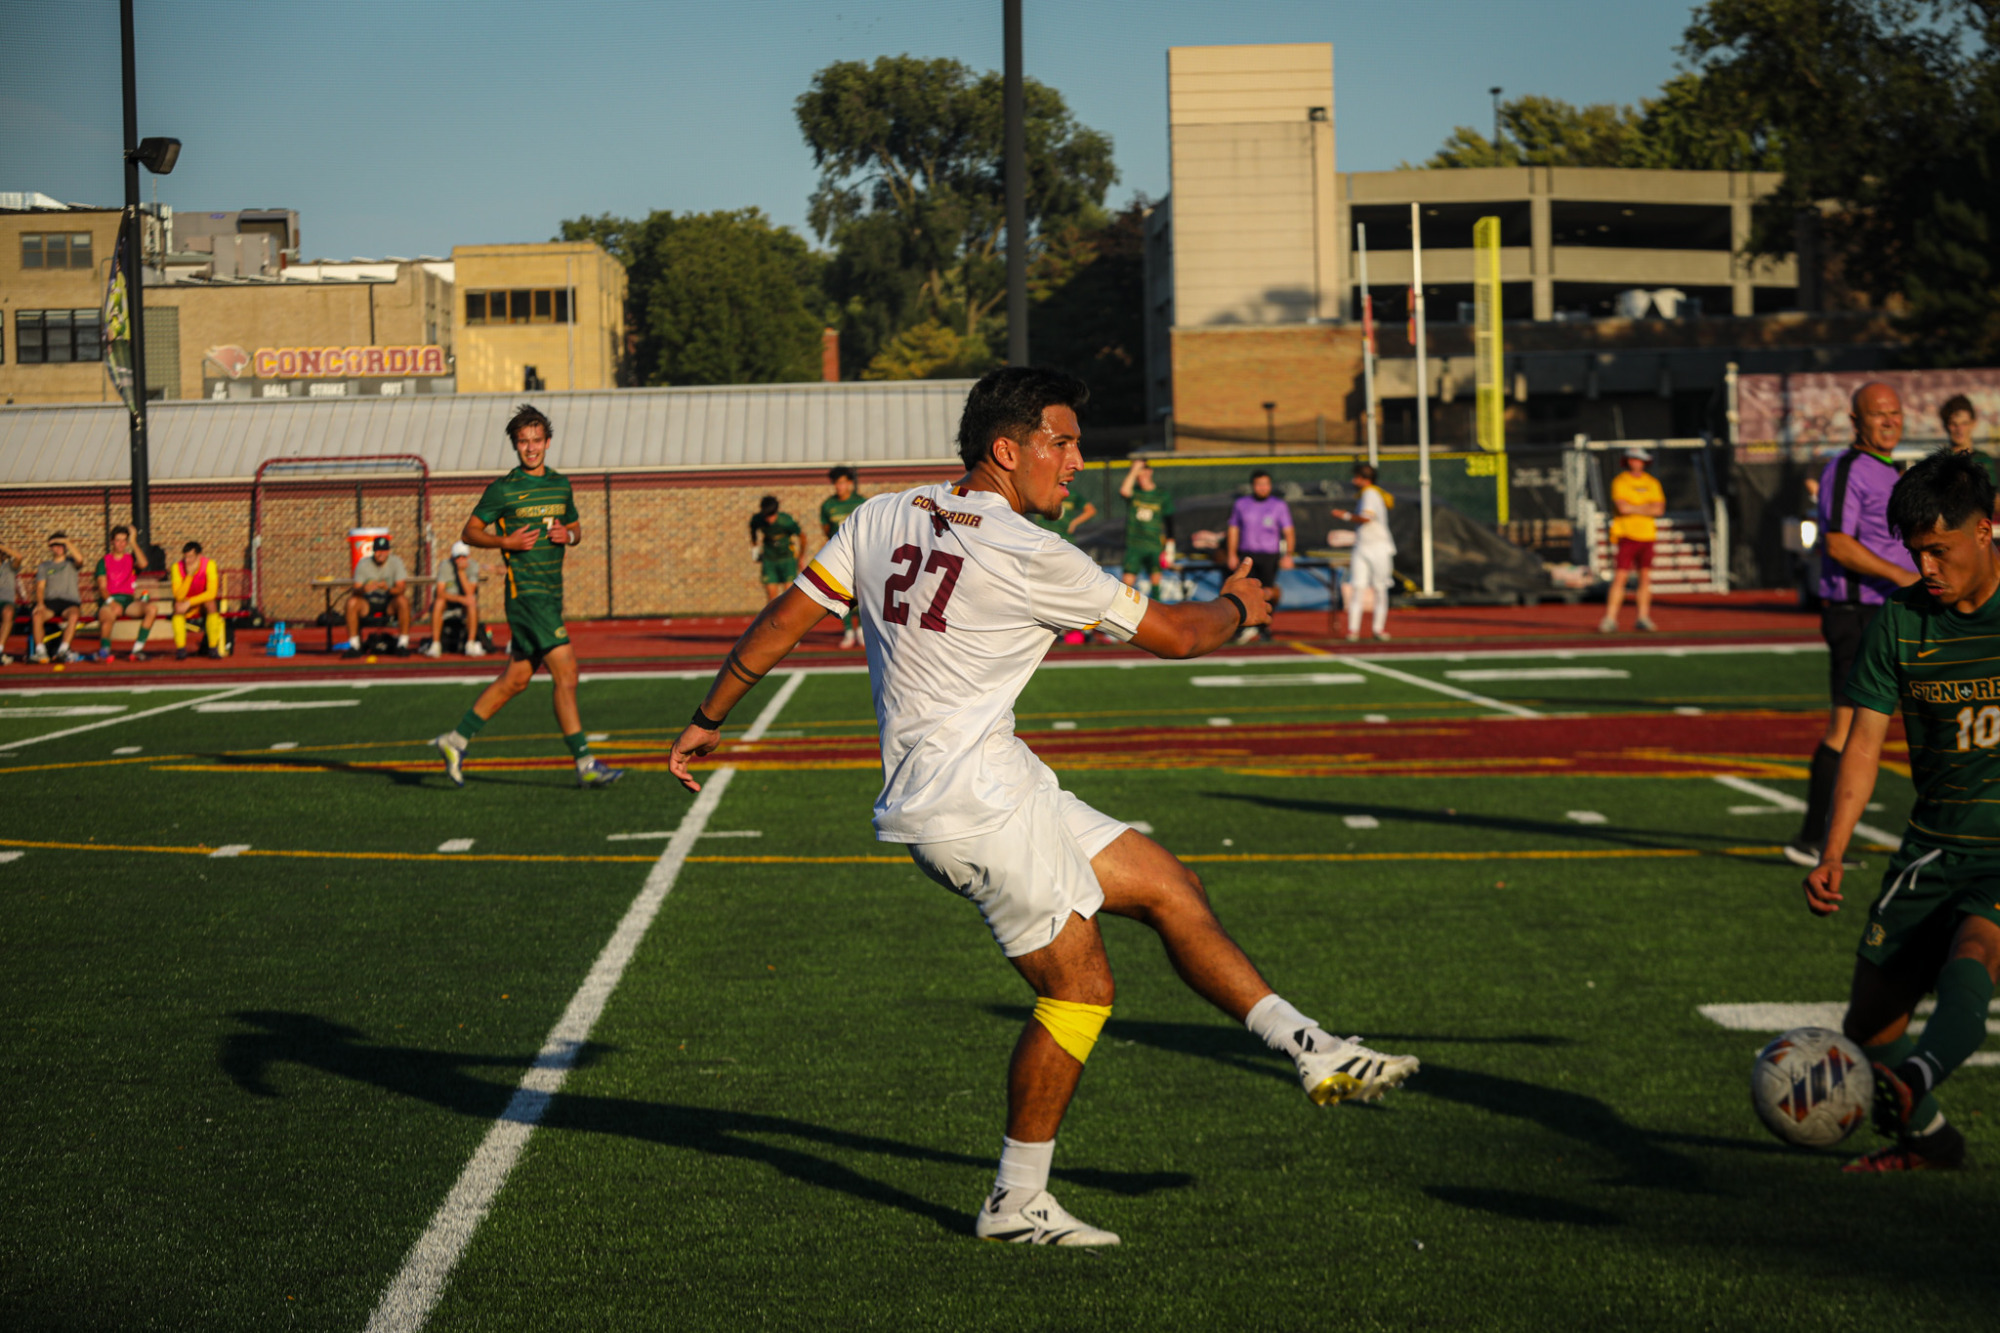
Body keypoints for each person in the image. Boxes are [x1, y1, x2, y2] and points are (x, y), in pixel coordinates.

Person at [665, 367, 1417, 1246]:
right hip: (971, 807)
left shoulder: (879, 515)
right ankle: (1015, 1202)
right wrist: (1242, 605)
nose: (1076, 460)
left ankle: (1312, 1048)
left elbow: (783, 621)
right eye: (1060, 442)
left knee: (1168, 884)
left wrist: (707, 716)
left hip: (1000, 778)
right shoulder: (1028, 551)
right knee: (1081, 990)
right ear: (1006, 449)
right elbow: (1176, 638)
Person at [1805, 449, 2000, 1172]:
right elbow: (1863, 743)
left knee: (1977, 949)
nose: (1927, 569)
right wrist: (1833, 849)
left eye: (1939, 551)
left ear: (1987, 528)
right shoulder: (1903, 621)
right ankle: (1933, 1138)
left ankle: (1915, 1080)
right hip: (1931, 844)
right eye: (1916, 553)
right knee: (1868, 1025)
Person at [432, 403, 623, 789]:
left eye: (537, 440)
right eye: (524, 441)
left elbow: (576, 528)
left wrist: (566, 536)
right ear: (515, 446)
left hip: (551, 594)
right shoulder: (504, 488)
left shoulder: (560, 484)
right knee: (567, 673)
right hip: (526, 595)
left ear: (548, 442)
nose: (531, 447)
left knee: (516, 679)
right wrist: (505, 540)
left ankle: (456, 740)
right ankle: (585, 761)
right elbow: (469, 532)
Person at [1788, 383, 1921, 867]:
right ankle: (1812, 839)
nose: (1889, 420)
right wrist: (1901, 574)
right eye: (1878, 413)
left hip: (1892, 612)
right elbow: (1838, 543)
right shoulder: (1845, 469)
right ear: (1856, 422)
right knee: (1847, 729)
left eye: (1895, 411)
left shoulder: (1894, 472)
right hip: (1857, 613)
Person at [1599, 447, 1664, 634]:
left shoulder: (1652, 483)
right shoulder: (1621, 481)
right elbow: (1623, 508)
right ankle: (1610, 618)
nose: (1636, 463)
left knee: (1645, 577)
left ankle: (1643, 617)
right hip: (1627, 535)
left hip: (1647, 535)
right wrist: (1646, 507)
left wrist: (1635, 507)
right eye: (1633, 459)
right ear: (1628, 461)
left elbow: (1658, 510)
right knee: (1621, 577)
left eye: (1640, 460)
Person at [1225, 470, 1294, 644]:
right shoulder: (1241, 504)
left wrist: (1289, 555)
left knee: (1267, 592)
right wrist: (1231, 553)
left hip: (1269, 555)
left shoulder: (1278, 505)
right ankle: (1245, 626)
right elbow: (1233, 529)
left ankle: (1264, 627)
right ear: (1253, 486)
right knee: (1244, 591)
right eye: (1259, 484)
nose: (1262, 488)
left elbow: (1289, 531)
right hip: (1248, 555)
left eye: (1266, 484)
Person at [1331, 463, 1396, 642]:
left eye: (1356, 477)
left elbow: (1366, 518)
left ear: (1364, 478)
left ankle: (1378, 629)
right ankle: (1353, 630)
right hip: (1362, 546)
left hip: (1378, 547)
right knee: (1358, 587)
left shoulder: (1370, 493)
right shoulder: (1364, 495)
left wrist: (1344, 515)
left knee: (1380, 587)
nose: (1353, 480)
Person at [91, 526, 159, 662]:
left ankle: (137, 650)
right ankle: (104, 651)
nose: (121, 544)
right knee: (107, 619)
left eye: (124, 541)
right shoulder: (103, 561)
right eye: (118, 540)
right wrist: (112, 603)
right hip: (109, 600)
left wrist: (133, 541)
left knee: (152, 609)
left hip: (129, 601)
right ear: (112, 541)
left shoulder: (130, 559)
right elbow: (102, 588)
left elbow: (144, 563)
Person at [340, 536, 412, 656]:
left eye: (384, 550)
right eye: (378, 550)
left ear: (388, 551)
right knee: (351, 602)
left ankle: (403, 644)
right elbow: (355, 589)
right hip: (368, 603)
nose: (381, 554)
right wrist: (364, 589)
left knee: (403, 601)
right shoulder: (363, 564)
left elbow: (401, 589)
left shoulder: (396, 562)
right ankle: (354, 645)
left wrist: (387, 589)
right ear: (373, 551)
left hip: (388, 602)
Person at [821, 467, 866, 648]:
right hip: (839, 556)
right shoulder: (828, 505)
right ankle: (848, 630)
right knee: (841, 594)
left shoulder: (861, 502)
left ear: (849, 483)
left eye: (841, 483)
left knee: (863, 593)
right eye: (836, 483)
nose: (838, 487)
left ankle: (862, 630)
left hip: (861, 554)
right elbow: (826, 530)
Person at [1117, 457, 1175, 598]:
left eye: (1143, 472)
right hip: (1134, 544)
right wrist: (1134, 470)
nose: (1140, 477)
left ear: (1150, 472)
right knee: (1127, 583)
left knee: (1155, 580)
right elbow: (1124, 491)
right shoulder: (1135, 492)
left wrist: (1170, 546)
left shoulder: (1161, 495)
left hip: (1153, 545)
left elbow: (1169, 521)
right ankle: (1125, 614)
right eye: (1138, 475)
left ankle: (1159, 611)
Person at [423, 540, 487, 658]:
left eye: (464, 556)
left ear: (468, 556)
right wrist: (459, 599)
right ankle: (435, 644)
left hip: (465, 603)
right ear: (452, 557)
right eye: (458, 557)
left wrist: (461, 572)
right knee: (438, 602)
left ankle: (470, 643)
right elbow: (440, 592)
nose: (461, 560)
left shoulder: (473, 566)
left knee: (472, 602)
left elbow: (470, 592)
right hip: (450, 600)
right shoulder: (445, 565)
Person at [30, 532, 85, 664]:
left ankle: (63, 650)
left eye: (61, 545)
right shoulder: (44, 566)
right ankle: (40, 651)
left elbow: (80, 559)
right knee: (37, 616)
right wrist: (40, 604)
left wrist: (66, 541)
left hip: (69, 603)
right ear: (51, 548)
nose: (58, 548)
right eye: (55, 545)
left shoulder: (71, 562)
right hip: (50, 602)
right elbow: (40, 587)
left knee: (74, 615)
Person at [169, 541, 227, 660]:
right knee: (178, 607)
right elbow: (178, 596)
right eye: (185, 557)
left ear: (199, 556)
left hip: (200, 604)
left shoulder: (209, 565)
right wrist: (189, 575)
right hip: (185, 605)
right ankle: (181, 649)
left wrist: (190, 602)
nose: (187, 561)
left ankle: (212, 648)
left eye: (191, 557)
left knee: (211, 604)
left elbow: (211, 593)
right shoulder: (176, 567)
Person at [750, 496, 803, 603]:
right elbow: (753, 531)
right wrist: (755, 549)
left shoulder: (786, 521)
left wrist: (801, 556)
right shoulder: (757, 520)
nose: (769, 519)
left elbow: (802, 536)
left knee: (788, 596)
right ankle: (773, 619)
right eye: (767, 516)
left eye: (772, 515)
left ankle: (789, 619)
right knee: (772, 597)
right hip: (770, 559)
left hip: (787, 558)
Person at [0, 539, 21, 665]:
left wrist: (3, 547)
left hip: (6, 603)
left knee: (8, 612)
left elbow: (19, 557)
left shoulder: (10, 567)